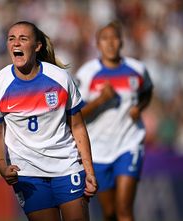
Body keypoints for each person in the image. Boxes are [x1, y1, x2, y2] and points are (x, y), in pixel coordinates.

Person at [0, 21, 98, 221]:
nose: (16, 43)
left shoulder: (60, 78)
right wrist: (3, 168)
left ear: (37, 46)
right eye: (11, 39)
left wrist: (89, 170)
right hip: (27, 172)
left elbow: (77, 126)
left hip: (66, 165)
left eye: (23, 39)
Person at [75, 20, 153, 221]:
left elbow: (147, 91)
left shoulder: (137, 69)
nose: (110, 43)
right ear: (97, 44)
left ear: (122, 42)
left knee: (124, 209)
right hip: (99, 150)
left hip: (129, 143)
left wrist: (139, 107)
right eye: (104, 39)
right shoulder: (87, 73)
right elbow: (76, 115)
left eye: (114, 38)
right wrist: (101, 100)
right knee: (109, 213)